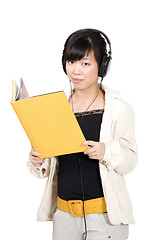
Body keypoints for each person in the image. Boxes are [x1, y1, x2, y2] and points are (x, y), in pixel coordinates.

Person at [27, 29, 138, 240]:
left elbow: (131, 160)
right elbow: (47, 169)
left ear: (102, 66)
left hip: (105, 218)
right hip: (64, 216)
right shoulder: (56, 109)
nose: (75, 71)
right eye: (71, 62)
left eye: (85, 63)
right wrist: (37, 160)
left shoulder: (119, 109)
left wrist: (106, 151)